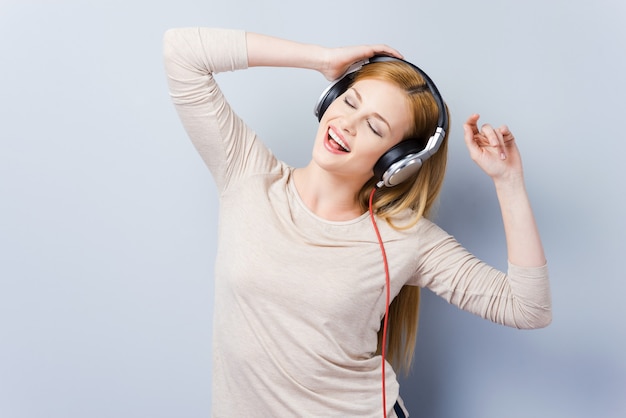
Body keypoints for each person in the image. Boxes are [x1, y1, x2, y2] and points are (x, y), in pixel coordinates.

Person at [163, 27, 551, 418]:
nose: (348, 123)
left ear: (396, 163)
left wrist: (509, 182)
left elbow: (528, 308)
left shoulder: (404, 239)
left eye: (375, 126)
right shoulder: (247, 176)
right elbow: (183, 52)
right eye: (349, 101)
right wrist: (321, 59)